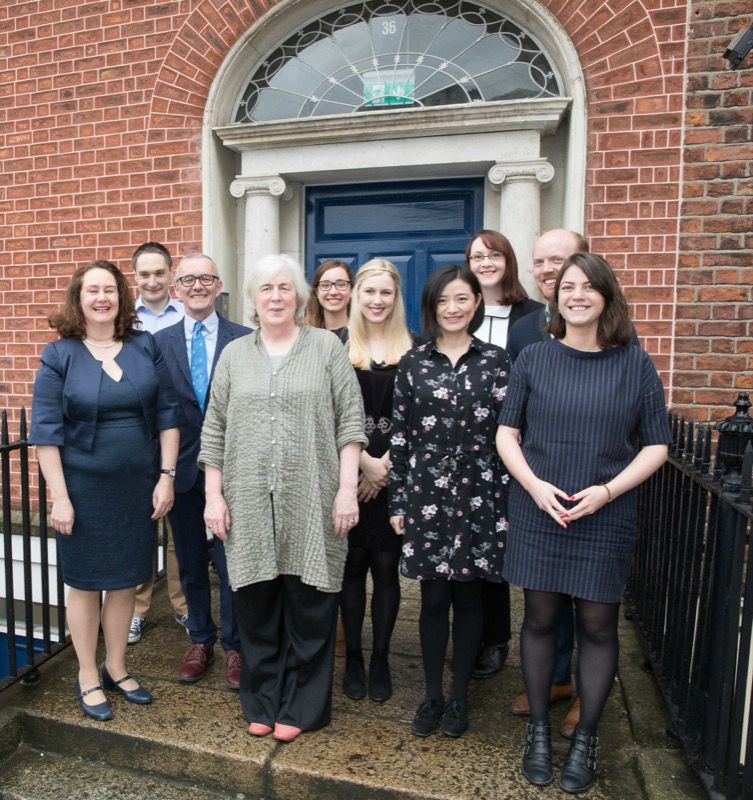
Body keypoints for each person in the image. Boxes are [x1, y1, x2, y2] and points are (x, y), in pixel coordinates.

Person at [496, 252, 670, 793]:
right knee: (541, 620)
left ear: (605, 296)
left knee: (597, 626)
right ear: (556, 298)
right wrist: (534, 486)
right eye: (566, 286)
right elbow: (507, 435)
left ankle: (587, 738)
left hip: (604, 511)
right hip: (540, 507)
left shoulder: (634, 363)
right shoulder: (533, 360)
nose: (576, 295)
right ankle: (542, 736)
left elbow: (657, 445)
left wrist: (608, 491)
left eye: (587, 286)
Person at [200, 254, 367, 743]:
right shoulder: (234, 355)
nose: (275, 296)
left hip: (313, 499)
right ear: (252, 298)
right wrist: (214, 496)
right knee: (255, 606)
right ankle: (262, 699)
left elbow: (350, 422)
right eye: (266, 288)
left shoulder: (326, 349)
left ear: (299, 296)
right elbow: (214, 431)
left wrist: (345, 490)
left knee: (311, 608)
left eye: (285, 288)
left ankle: (303, 705)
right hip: (248, 501)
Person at [29, 260, 182, 721]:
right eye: (92, 290)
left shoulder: (144, 345)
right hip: (83, 489)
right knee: (84, 584)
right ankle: (86, 674)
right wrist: (59, 496)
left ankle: (116, 666)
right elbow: (45, 433)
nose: (102, 298)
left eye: (110, 290)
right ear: (79, 298)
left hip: (135, 487)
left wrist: (166, 476)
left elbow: (168, 415)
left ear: (121, 298)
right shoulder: (60, 355)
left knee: (124, 582)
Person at [389, 264, 510, 739]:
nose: (453, 308)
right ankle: (432, 695)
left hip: (482, 494)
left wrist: (507, 503)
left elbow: (511, 435)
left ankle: (460, 696)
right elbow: (400, 437)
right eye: (444, 301)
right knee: (434, 598)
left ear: (476, 303)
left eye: (462, 299)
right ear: (432, 307)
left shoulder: (498, 362)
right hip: (427, 495)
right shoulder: (413, 363)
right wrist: (399, 500)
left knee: (471, 595)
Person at [505, 229, 590, 734]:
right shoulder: (525, 329)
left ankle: (584, 685)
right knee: (544, 592)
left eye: (558, 259)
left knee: (589, 597)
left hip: (591, 477)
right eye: (540, 261)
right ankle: (556, 677)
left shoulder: (613, 327)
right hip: (537, 476)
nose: (548, 269)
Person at [155, 253, 250, 689]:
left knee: (233, 565)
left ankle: (234, 646)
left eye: (205, 278)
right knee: (191, 562)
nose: (197, 286)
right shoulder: (159, 343)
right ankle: (200, 639)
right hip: (183, 473)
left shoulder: (245, 339)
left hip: (234, 472)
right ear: (176, 288)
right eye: (188, 279)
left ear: (218, 284)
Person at [464, 229, 542, 681]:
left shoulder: (532, 317)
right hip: (468, 449)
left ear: (508, 261)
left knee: (498, 552)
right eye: (477, 256)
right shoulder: (463, 311)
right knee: (470, 547)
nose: (485, 262)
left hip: (517, 446)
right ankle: (473, 636)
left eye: (493, 255)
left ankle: (497, 639)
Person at [340, 259, 414, 703]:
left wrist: (384, 466)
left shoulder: (416, 349)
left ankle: (381, 657)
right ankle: (353, 657)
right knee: (351, 567)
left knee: (386, 568)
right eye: (369, 292)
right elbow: (327, 413)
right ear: (356, 296)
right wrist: (362, 463)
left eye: (385, 293)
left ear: (396, 297)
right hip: (349, 473)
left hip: (394, 476)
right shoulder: (335, 347)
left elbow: (422, 420)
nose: (377, 301)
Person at [129, 241, 189, 645]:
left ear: (171, 274)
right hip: (134, 438)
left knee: (179, 529)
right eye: (144, 274)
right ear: (135, 277)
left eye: (159, 272)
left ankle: (184, 606)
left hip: (178, 434)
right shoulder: (121, 321)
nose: (152, 281)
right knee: (139, 528)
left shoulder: (188, 315)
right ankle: (136, 609)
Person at [305, 259, 353, 331]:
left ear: (352, 290)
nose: (333, 292)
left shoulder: (364, 334)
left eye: (341, 284)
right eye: (325, 285)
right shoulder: (305, 335)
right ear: (316, 292)